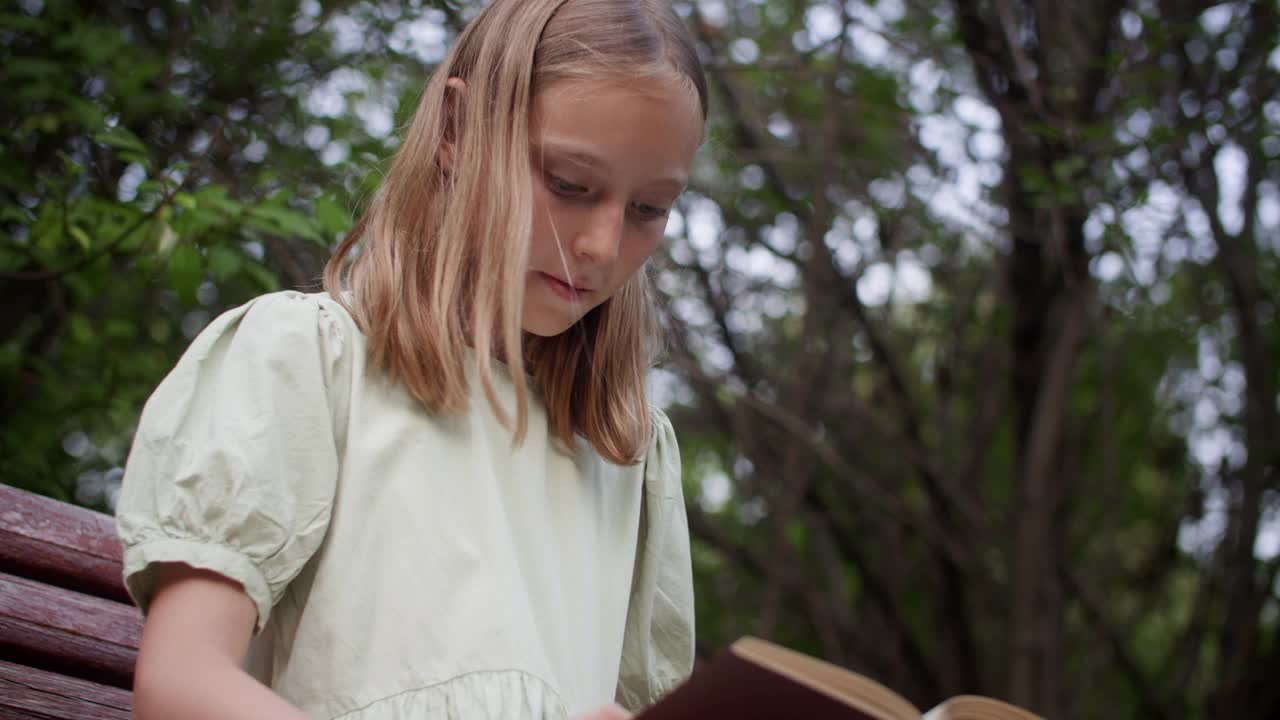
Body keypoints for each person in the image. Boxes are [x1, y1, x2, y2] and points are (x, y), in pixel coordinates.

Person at [114, 1, 707, 718]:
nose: (602, 246)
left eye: (648, 209)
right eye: (569, 185)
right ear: (457, 132)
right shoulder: (309, 365)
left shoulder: (627, 457)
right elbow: (180, 684)